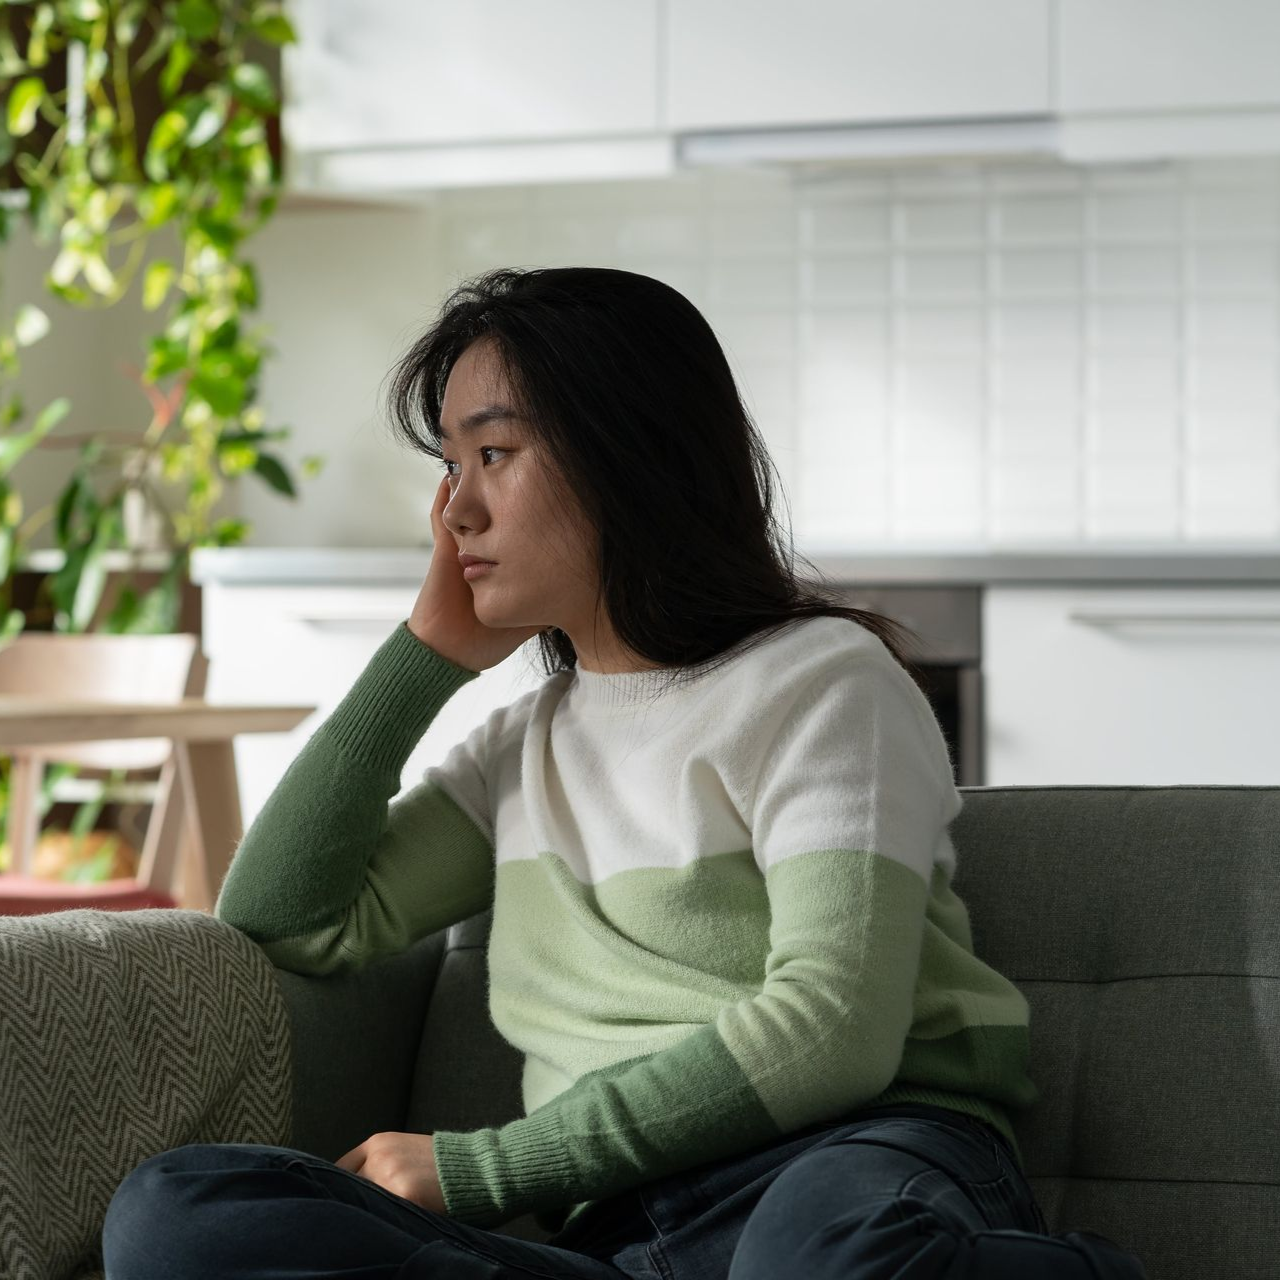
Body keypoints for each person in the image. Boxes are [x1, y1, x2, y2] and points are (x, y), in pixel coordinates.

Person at [101, 266, 1149, 1279]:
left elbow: (834, 1029)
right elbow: (281, 916)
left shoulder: (820, 680)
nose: (455, 512)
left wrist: (483, 1168)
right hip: (618, 1235)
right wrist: (422, 657)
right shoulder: (521, 748)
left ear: (625, 456)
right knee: (175, 1211)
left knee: (817, 1259)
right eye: (449, 467)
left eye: (494, 453)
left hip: (848, 1159)